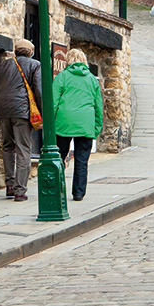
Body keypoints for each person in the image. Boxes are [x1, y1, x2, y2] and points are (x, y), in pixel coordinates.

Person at [0, 39, 42, 202]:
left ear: (16, 52)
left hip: (3, 111)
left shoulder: (3, 65)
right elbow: (39, 91)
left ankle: (9, 186)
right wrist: (42, 114)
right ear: (30, 52)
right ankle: (20, 190)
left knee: (8, 147)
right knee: (23, 149)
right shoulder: (34, 64)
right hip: (22, 111)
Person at [53, 49, 103, 202]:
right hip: (85, 123)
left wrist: (50, 123)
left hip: (63, 122)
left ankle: (57, 189)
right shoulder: (91, 79)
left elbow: (53, 101)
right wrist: (96, 127)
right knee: (82, 160)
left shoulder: (62, 77)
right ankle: (78, 193)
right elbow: (98, 106)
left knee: (59, 156)